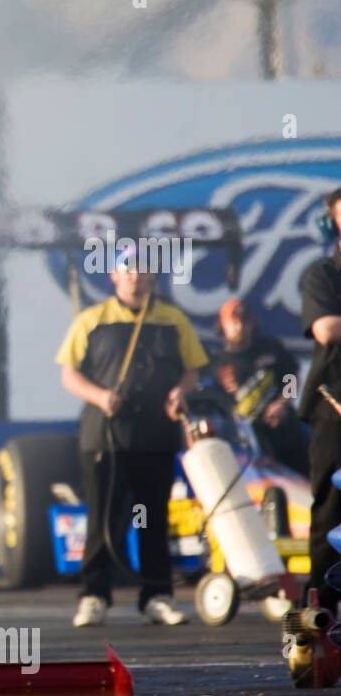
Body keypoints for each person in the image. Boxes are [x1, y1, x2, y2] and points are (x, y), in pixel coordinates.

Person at [56, 247, 207, 626]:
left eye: (143, 269)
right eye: (128, 269)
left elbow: (193, 370)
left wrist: (179, 392)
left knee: (152, 518)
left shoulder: (173, 320)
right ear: (114, 275)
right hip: (104, 437)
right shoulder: (92, 320)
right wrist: (101, 396)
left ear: (153, 277)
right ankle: (94, 595)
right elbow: (69, 373)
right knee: (103, 519)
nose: (136, 276)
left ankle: (157, 594)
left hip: (156, 436)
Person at [297, 186, 341, 612]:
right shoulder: (322, 275)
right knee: (331, 507)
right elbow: (327, 328)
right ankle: (321, 608)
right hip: (334, 407)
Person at [208, 298, 309, 476]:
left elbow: (293, 377)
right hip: (251, 445)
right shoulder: (217, 364)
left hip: (287, 433)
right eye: (234, 321)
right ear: (222, 325)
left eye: (244, 321)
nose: (240, 327)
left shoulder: (270, 348)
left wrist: (282, 403)